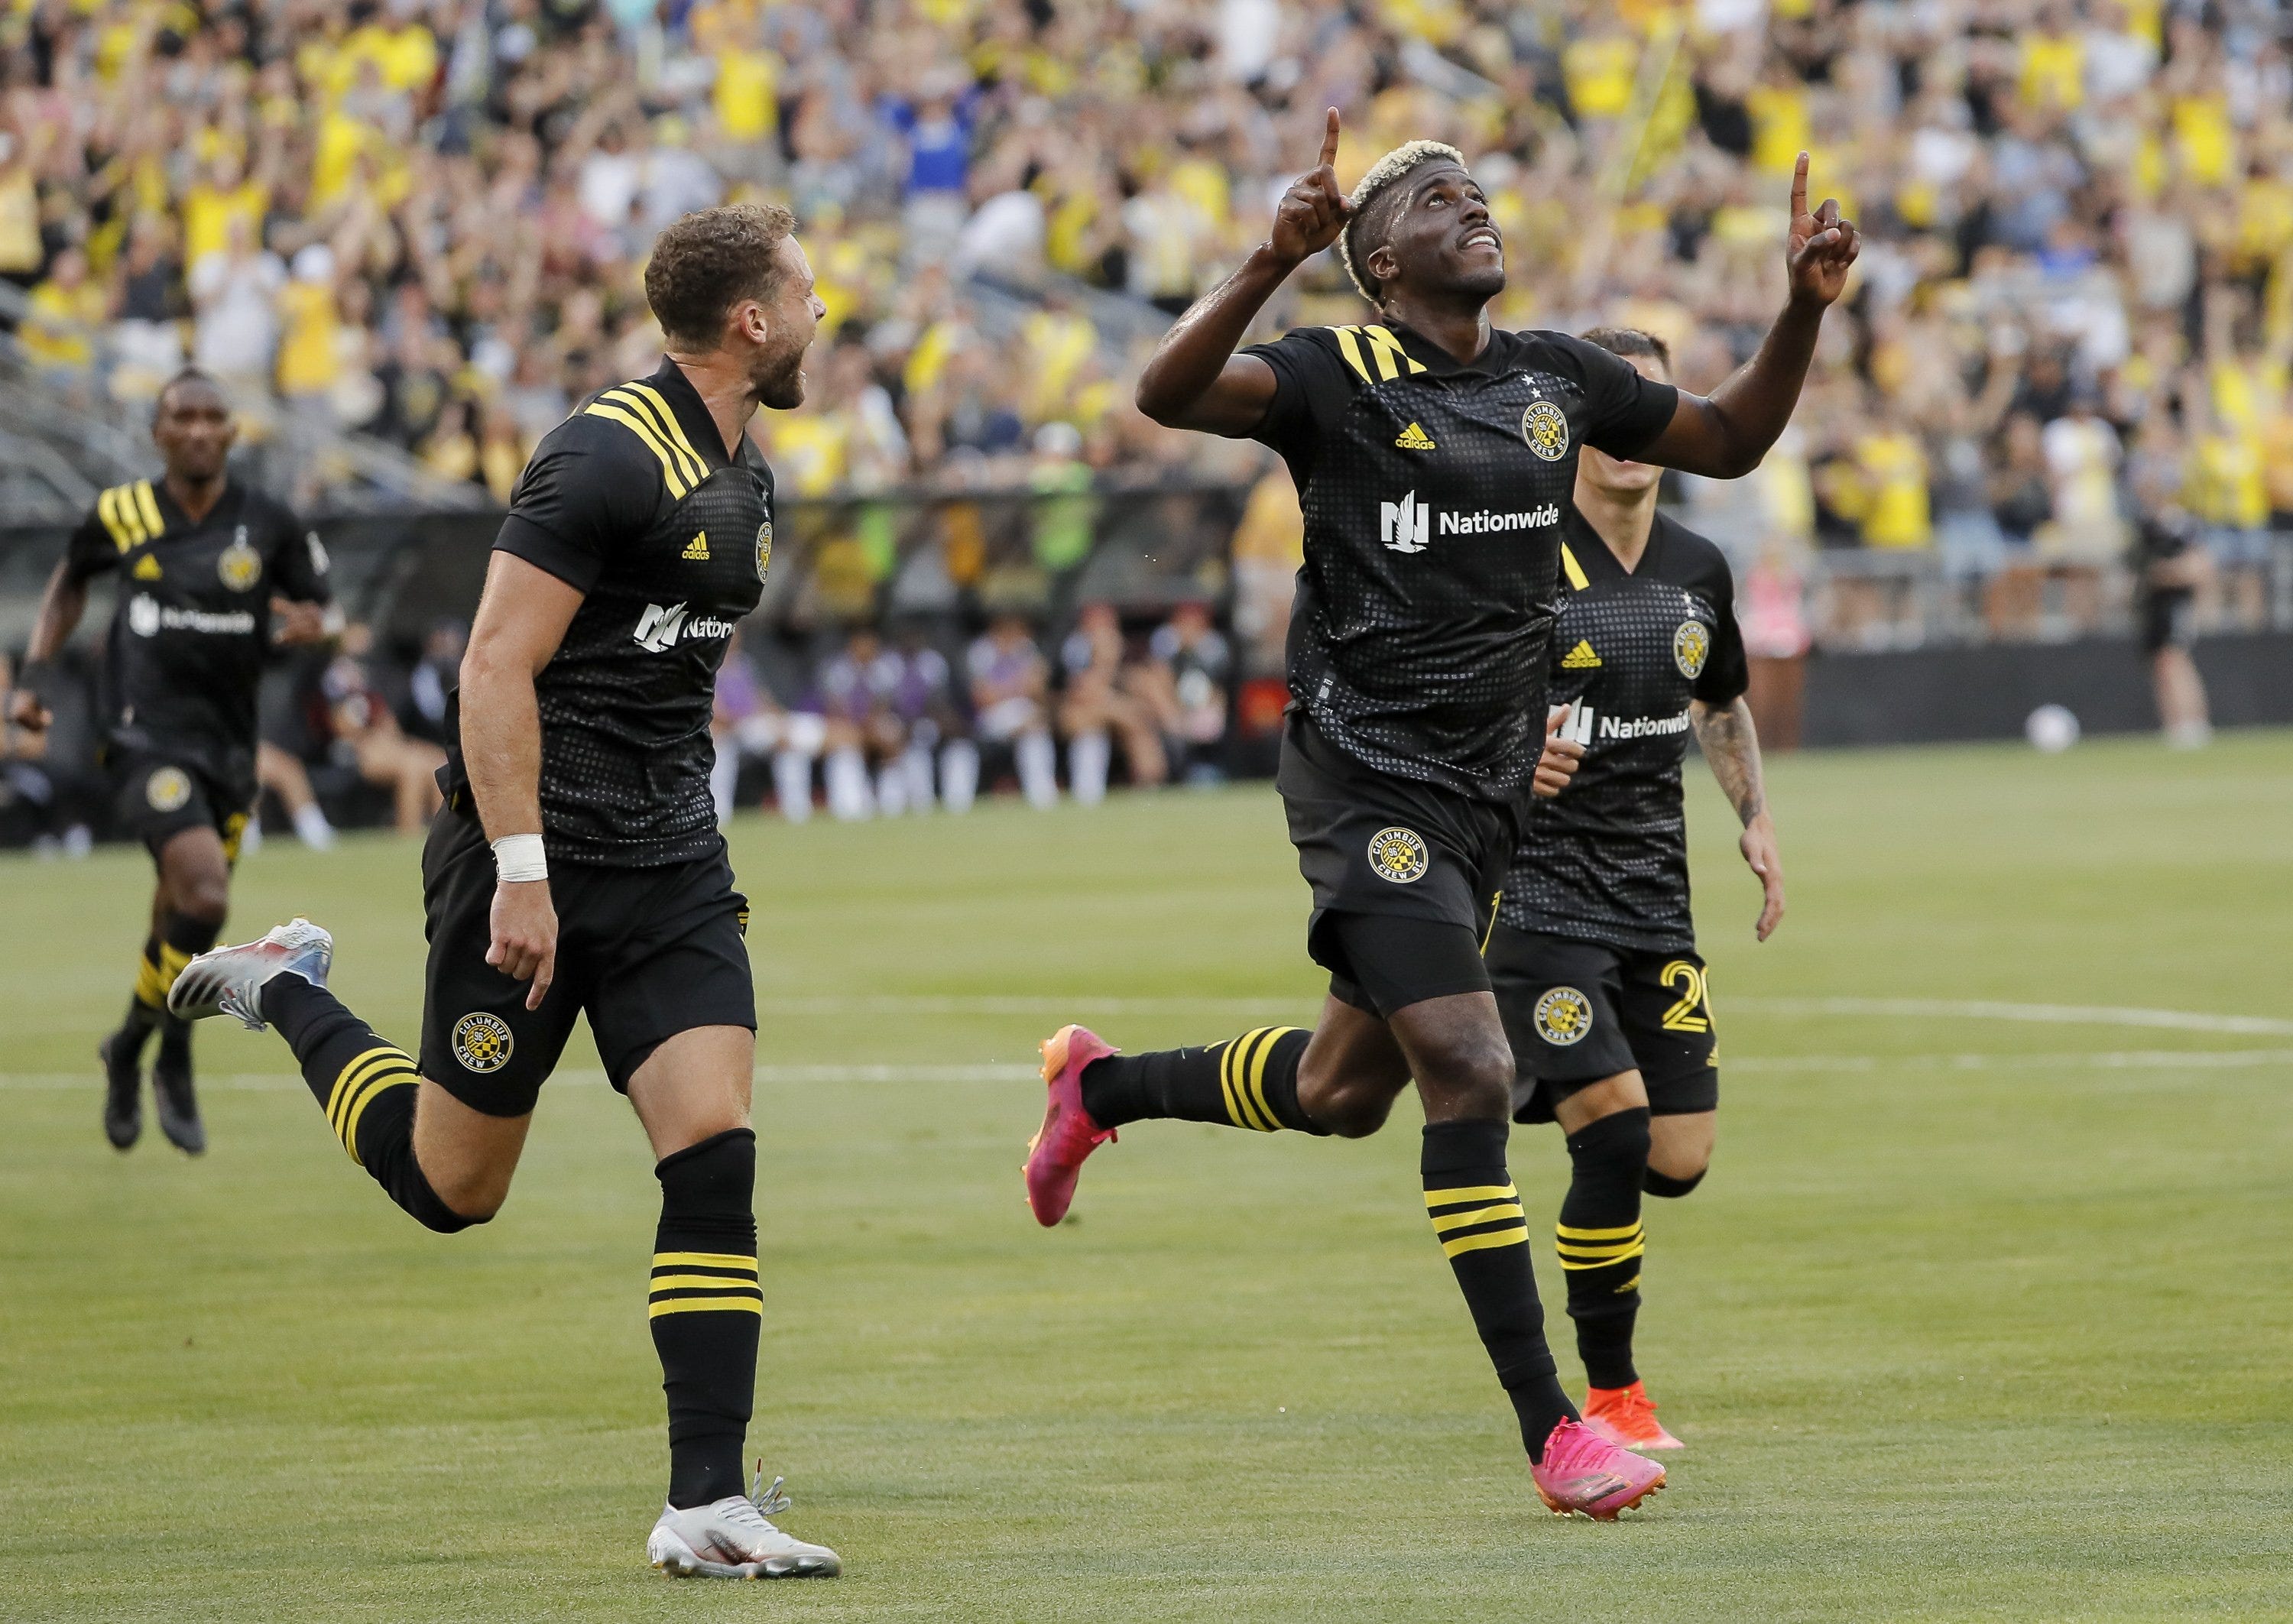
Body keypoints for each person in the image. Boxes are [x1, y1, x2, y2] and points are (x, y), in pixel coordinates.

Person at [1023, 111, 1856, 1521]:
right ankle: (1556, 1432)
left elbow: (1729, 438)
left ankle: (1097, 1089)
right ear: (1381, 260)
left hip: (1485, 797)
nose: (1473, 207)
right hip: (1363, 779)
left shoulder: (1553, 376)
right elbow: (1169, 392)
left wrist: (1801, 309)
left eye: (1477, 190)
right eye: (1435, 199)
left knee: (1343, 1094)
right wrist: (1266, 259)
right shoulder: (1334, 372)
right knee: (1470, 1068)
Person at [165, 204, 843, 1580]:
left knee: (713, 1149)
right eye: (809, 295)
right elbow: (491, 666)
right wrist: (523, 872)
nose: (824, 316)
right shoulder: (603, 452)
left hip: (672, 866)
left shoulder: (751, 479)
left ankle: (707, 1502)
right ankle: (287, 992)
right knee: (450, 1189)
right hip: (526, 868)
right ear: (754, 321)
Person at [1483, 328, 1782, 1457]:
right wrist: (1515, 757)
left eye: (1646, 408)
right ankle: (1612, 1395)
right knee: (1612, 1134)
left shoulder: (1698, 567)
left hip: (1656, 902)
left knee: (1677, 1158)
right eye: (1606, 413)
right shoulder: (1514, 556)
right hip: (1537, 899)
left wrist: (1756, 819)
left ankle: (1521, 1079)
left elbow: (1720, 700)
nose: (1628, 435)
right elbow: (1446, 703)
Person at [6, 369, 333, 1155]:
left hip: (229, 747)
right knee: (206, 893)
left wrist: (310, 625)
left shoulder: (269, 521)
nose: (197, 429)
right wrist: (34, 677)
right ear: (157, 432)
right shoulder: (123, 512)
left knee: (178, 912)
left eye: (212, 416)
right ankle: (174, 1050)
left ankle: (132, 1047)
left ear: (232, 432)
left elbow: (323, 608)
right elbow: (69, 581)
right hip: (142, 735)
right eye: (181, 416)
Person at [1056, 601, 1167, 804]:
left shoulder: (1125, 648)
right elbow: (1081, 693)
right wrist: (1105, 661)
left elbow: (1140, 684)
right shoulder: (1076, 647)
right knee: (1092, 723)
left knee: (1137, 726)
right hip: (1081, 714)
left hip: (1114, 713)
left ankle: (1150, 790)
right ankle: (1087, 794)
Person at [965, 612, 1059, 808]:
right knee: (1031, 725)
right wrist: (1018, 686)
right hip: (991, 717)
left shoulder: (1026, 648)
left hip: (1026, 713)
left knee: (1035, 727)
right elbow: (984, 698)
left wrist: (1010, 688)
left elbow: (1037, 689)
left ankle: (1042, 794)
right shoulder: (982, 652)